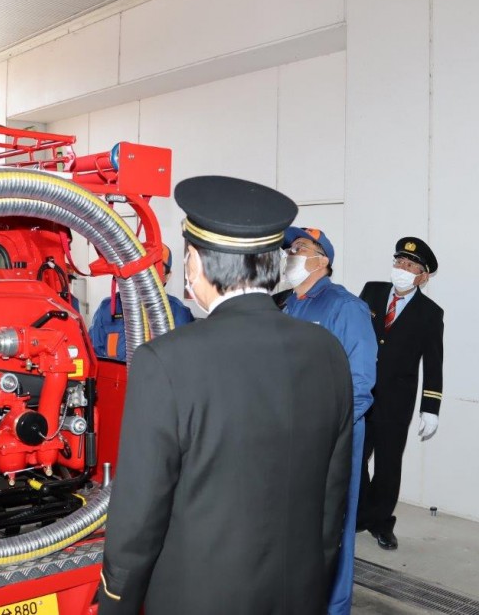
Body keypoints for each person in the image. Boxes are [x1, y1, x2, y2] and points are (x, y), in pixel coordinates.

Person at [97, 176, 353, 615]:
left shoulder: (167, 361)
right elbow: (333, 500)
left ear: (195, 263)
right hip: (300, 592)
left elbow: (139, 516)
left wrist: (116, 602)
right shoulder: (326, 350)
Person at [279, 226, 376, 615]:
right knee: (297, 529)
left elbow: (361, 383)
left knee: (332, 529)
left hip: (332, 438)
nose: (290, 255)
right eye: (289, 248)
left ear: (323, 260)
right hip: (291, 436)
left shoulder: (344, 307)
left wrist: (320, 430)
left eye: (299, 248)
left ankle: (334, 608)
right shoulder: (288, 306)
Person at [357, 236, 443, 551]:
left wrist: (430, 407)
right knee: (355, 458)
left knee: (389, 465)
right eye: (399, 262)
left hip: (396, 401)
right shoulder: (371, 291)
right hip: (361, 396)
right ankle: (358, 514)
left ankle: (381, 523)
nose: (402, 269)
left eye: (410, 265)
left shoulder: (430, 313)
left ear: (423, 276)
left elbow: (434, 363)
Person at [89, 243, 193, 360]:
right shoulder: (107, 309)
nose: (146, 276)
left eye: (155, 269)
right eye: (143, 268)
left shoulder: (178, 313)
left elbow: (184, 361)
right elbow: (93, 355)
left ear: (167, 276)